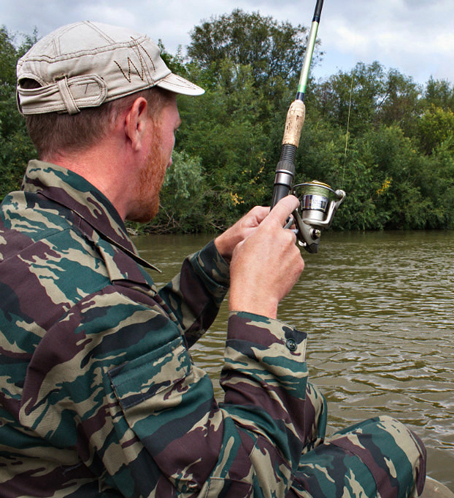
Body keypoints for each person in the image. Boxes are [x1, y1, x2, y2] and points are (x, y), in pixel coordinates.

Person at [0, 21, 427, 498]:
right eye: (173, 129)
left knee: (306, 404)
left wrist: (217, 261)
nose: (173, 144)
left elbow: (118, 346)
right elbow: (241, 488)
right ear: (137, 121)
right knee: (397, 443)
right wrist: (256, 305)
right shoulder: (97, 299)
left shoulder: (31, 230)